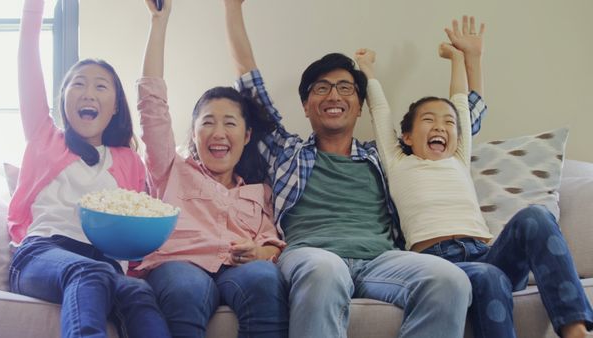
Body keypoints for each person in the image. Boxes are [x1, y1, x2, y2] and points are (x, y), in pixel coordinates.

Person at [224, 2, 489, 338]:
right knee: (325, 269)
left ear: (360, 106)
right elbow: (250, 84)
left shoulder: (385, 156)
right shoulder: (286, 151)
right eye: (321, 88)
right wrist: (231, 8)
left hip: (381, 260)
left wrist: (472, 60)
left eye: (345, 88)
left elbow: (461, 126)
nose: (334, 95)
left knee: (449, 279)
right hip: (312, 255)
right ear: (306, 106)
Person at [364, 16, 593, 338]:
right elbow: (380, 112)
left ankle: (574, 328)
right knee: (489, 278)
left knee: (536, 216)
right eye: (429, 120)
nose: (441, 127)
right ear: (407, 137)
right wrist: (369, 72)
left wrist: (463, 59)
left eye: (448, 123)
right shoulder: (398, 161)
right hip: (440, 263)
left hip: (488, 252)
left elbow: (460, 100)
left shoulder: (458, 157)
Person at [7, 0, 171, 337]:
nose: (88, 93)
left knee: (139, 293)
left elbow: (138, 229)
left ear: (114, 107)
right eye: (78, 84)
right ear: (63, 100)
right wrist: (34, 7)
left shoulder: (127, 160)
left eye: (101, 86)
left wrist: (158, 22)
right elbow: (26, 59)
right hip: (43, 253)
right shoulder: (45, 138)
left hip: (106, 263)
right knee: (87, 273)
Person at [131, 1, 289, 337]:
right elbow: (151, 106)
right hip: (180, 264)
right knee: (184, 287)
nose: (218, 133)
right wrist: (158, 23)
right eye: (208, 123)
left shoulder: (257, 191)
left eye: (230, 123)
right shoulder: (170, 169)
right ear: (194, 133)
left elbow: (271, 242)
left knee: (265, 279)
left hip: (239, 267)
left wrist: (260, 251)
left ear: (246, 136)